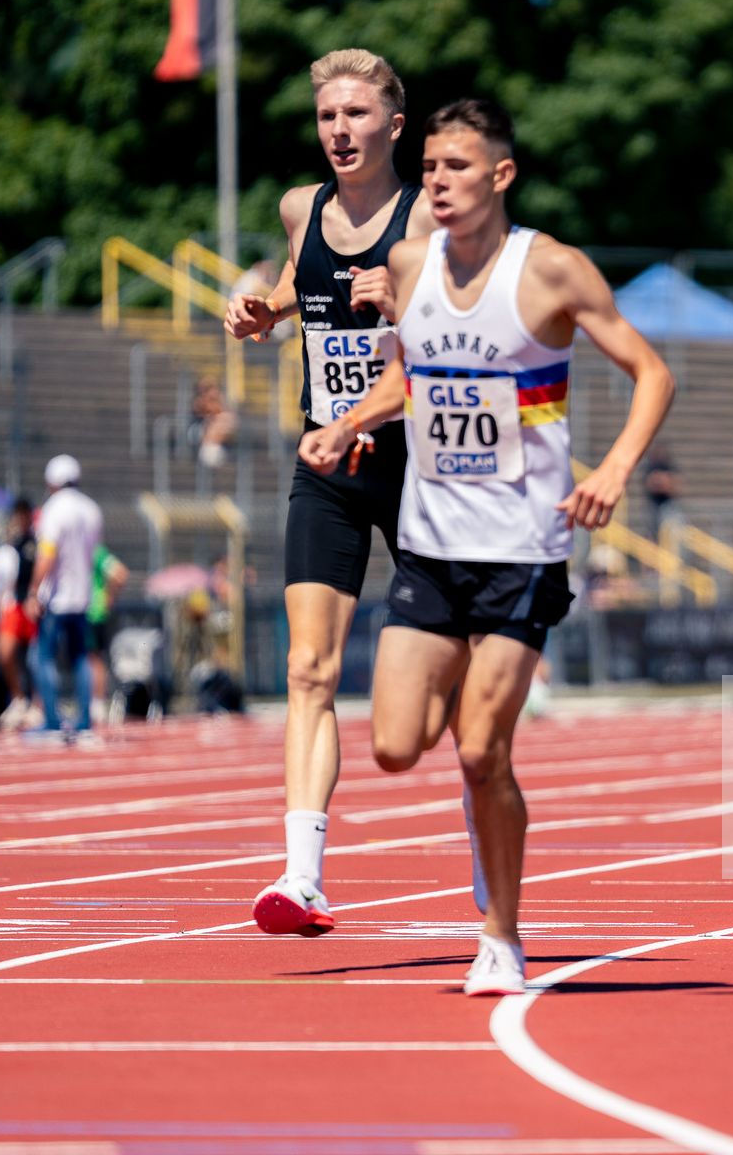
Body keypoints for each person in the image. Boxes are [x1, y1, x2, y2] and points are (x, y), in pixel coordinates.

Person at [299, 97, 674, 994]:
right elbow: (409, 370)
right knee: (395, 745)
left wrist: (614, 471)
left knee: (478, 754)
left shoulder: (550, 271)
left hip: (524, 550)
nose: (438, 182)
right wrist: (344, 422)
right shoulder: (408, 262)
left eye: (457, 168)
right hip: (430, 547)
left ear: (500, 176)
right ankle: (468, 683)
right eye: (429, 168)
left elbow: (652, 372)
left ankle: (499, 938)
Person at [222, 48, 436, 937]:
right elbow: (295, 286)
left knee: (446, 695)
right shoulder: (298, 207)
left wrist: (407, 302)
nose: (338, 132)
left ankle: (485, 859)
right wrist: (262, 310)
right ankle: (302, 876)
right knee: (307, 670)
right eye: (326, 118)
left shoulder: (428, 218)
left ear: (394, 124)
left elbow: (464, 346)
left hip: (424, 470)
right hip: (329, 467)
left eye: (355, 116)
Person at [27, 454, 104, 738]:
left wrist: (34, 591)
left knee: (43, 658)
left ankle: (51, 719)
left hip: (57, 597)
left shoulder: (54, 510)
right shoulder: (91, 509)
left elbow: (47, 554)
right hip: (82, 596)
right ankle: (84, 720)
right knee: (80, 658)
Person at [0, 498, 41, 728]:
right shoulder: (3, 554)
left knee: (37, 660)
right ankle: (18, 699)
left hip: (34, 606)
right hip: (13, 607)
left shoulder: (37, 544)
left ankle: (38, 703)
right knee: (5, 653)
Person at [86, 542, 129, 723]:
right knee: (93, 657)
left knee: (93, 658)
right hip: (91, 610)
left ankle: (96, 702)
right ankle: (95, 702)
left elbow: (120, 573)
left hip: (92, 611)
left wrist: (108, 596)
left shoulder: (94, 551)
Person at [190, 375, 239, 469]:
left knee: (226, 419)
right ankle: (210, 450)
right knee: (221, 422)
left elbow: (224, 412)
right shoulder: (199, 401)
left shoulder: (219, 400)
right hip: (198, 429)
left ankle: (215, 449)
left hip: (210, 432)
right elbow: (207, 410)